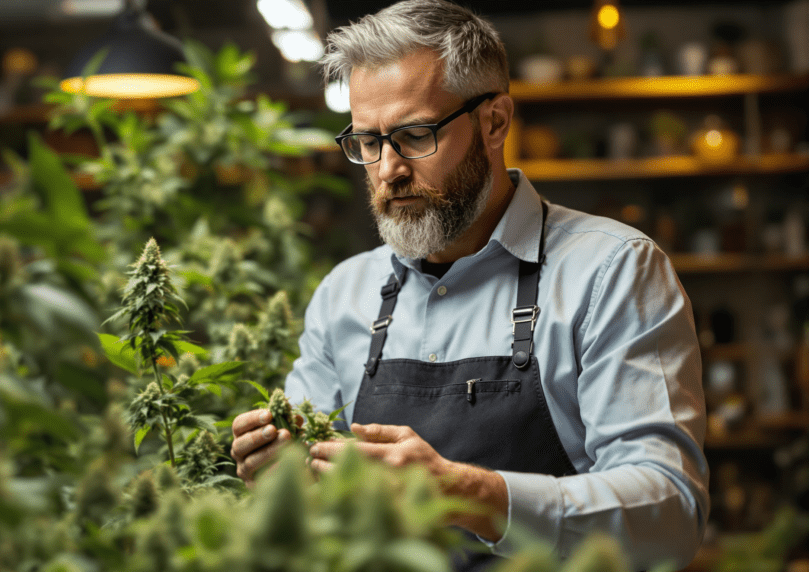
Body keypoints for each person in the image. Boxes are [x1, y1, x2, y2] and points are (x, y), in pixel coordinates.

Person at [230, 1, 709, 570]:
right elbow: (320, 503)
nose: (388, 169)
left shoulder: (611, 273)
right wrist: (282, 469)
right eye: (368, 142)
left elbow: (670, 515)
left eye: (414, 135)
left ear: (495, 123)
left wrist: (469, 495)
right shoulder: (344, 295)